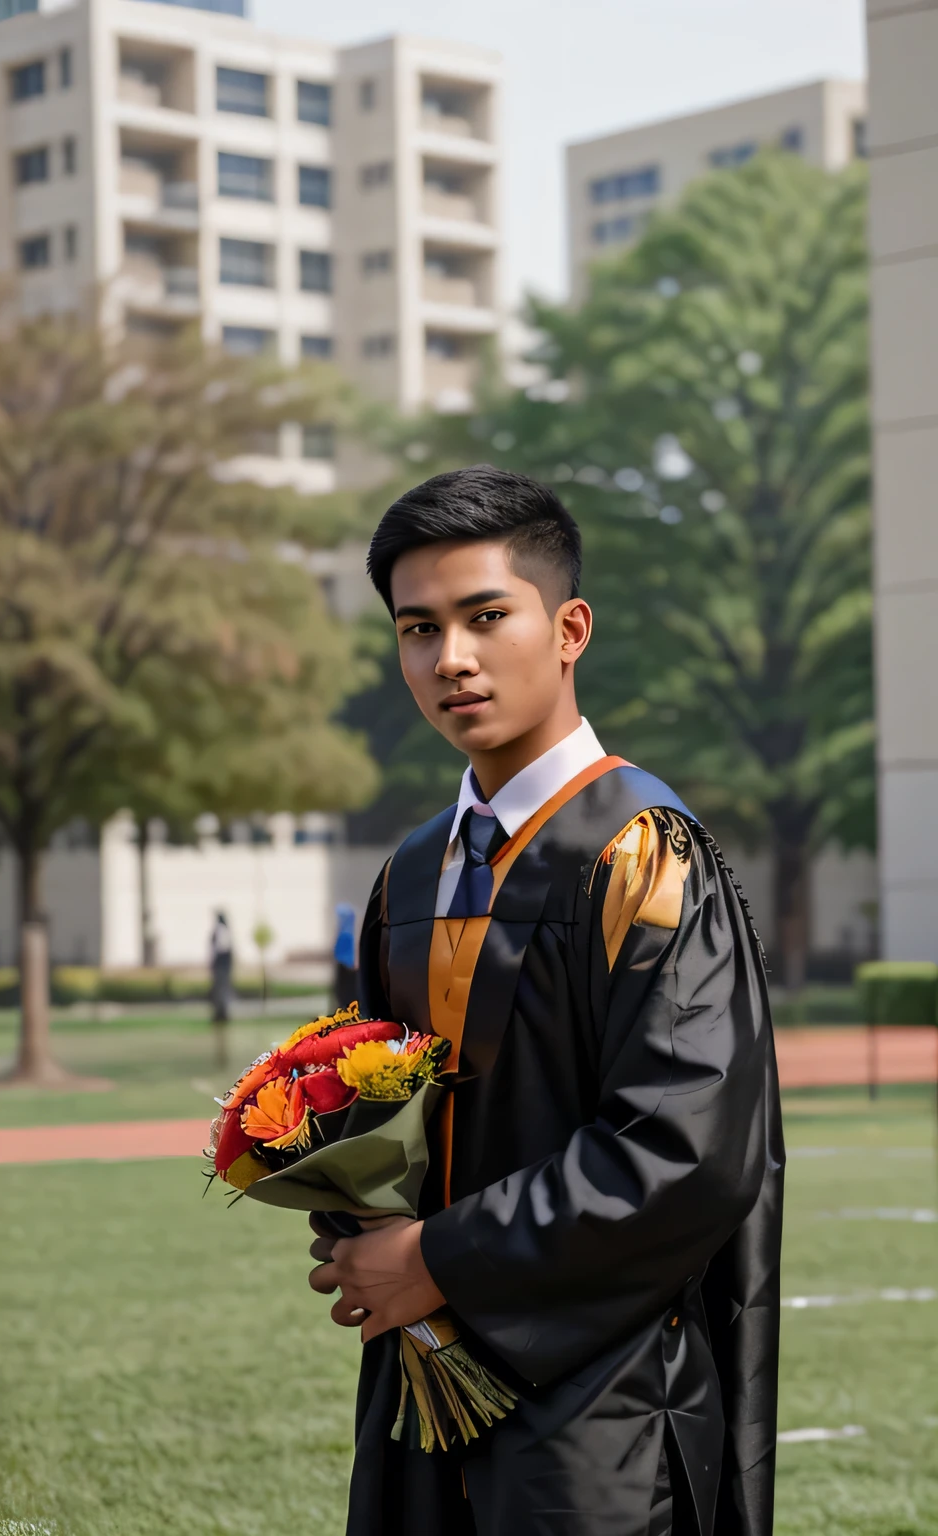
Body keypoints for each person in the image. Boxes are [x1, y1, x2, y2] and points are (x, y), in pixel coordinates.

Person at [309, 466, 784, 1536]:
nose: (451, 659)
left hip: (601, 1403)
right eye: (416, 629)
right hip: (422, 1396)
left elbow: (682, 1151)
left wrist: (435, 1259)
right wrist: (350, 1216)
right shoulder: (413, 871)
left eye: (485, 617)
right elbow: (373, 1105)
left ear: (567, 627)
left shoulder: (643, 855)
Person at [209, 910, 233, 1025]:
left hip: (221, 966)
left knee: (221, 991)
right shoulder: (225, 929)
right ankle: (220, 1014)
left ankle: (221, 1015)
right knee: (221, 990)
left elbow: (221, 949)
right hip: (223, 965)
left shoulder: (221, 930)